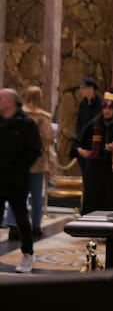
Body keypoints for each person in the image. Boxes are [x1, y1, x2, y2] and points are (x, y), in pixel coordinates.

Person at [0, 88, 43, 273]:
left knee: (21, 218)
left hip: (17, 179)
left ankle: (27, 254)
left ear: (9, 102)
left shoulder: (27, 124)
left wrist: (20, 167)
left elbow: (35, 150)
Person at [5, 85, 56, 240]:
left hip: (18, 160)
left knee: (16, 194)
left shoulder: (18, 114)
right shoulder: (44, 117)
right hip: (38, 160)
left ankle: (13, 226)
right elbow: (48, 138)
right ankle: (36, 226)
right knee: (36, 196)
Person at [72, 91, 113, 214]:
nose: (107, 111)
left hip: (112, 168)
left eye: (110, 108)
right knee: (92, 198)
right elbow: (76, 143)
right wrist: (81, 151)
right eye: (104, 107)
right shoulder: (94, 124)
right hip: (95, 167)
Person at [74, 76, 102, 176]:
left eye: (83, 88)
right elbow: (79, 125)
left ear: (91, 89)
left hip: (95, 147)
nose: (81, 90)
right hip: (83, 147)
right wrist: (78, 147)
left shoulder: (101, 104)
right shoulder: (83, 104)